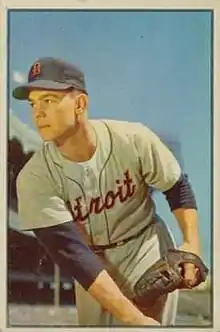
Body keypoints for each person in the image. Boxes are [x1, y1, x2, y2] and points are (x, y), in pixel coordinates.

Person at [12, 57, 201, 326]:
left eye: (49, 100)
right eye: (33, 103)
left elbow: (177, 186)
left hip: (146, 243)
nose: (37, 112)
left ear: (80, 104)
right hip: (91, 259)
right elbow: (73, 253)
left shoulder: (133, 138)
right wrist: (132, 317)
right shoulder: (33, 178)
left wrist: (192, 247)